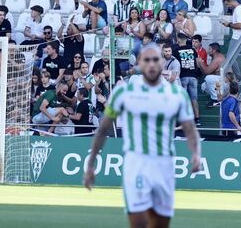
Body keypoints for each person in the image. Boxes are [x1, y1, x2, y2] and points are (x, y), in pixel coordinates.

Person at [83, 43, 201, 225]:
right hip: (136, 163)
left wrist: (196, 154)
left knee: (160, 224)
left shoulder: (177, 94)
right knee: (138, 223)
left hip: (164, 165)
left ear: (162, 62)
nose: (152, 64)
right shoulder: (124, 92)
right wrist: (91, 164)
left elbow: (189, 129)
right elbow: (103, 128)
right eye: (147, 60)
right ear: (139, 62)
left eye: (156, 59)